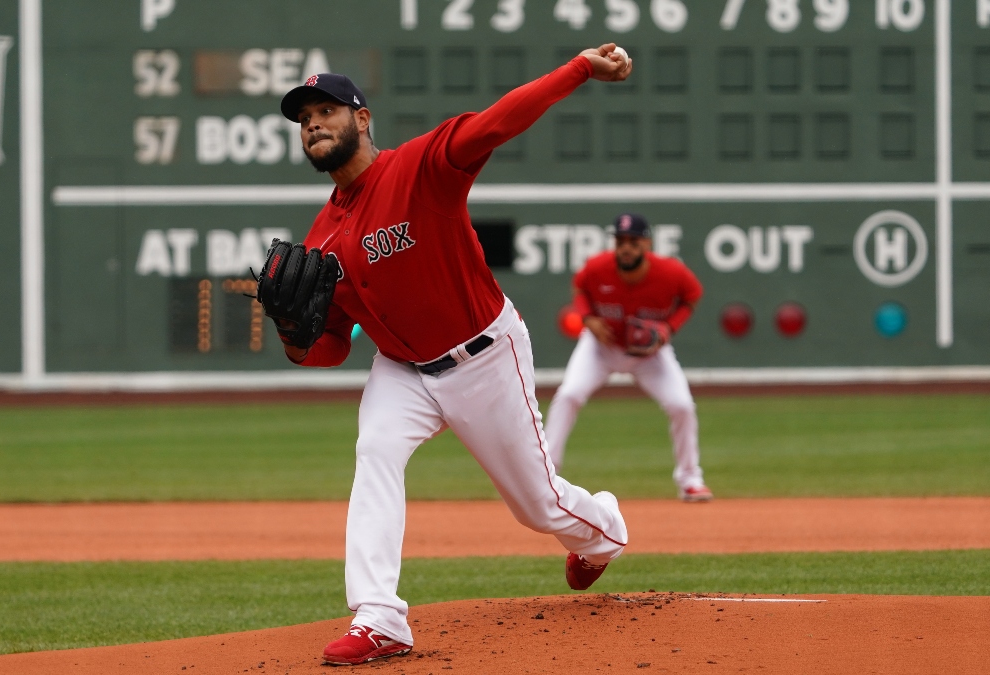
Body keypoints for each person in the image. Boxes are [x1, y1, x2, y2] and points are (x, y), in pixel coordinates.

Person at [273, 45, 634, 666]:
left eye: (326, 109)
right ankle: (378, 617)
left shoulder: (419, 168)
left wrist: (577, 68)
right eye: (303, 116)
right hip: (400, 369)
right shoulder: (321, 237)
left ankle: (605, 534)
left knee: (538, 506)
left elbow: (500, 119)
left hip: (484, 354)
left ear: (362, 119)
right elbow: (328, 349)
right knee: (375, 452)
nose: (313, 123)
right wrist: (290, 333)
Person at [545, 213, 713, 503]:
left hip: (649, 354)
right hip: (601, 348)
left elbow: (693, 295)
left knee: (682, 405)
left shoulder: (671, 273)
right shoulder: (598, 267)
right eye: (621, 241)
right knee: (570, 394)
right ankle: (544, 475)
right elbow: (580, 286)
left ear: (646, 243)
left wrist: (670, 328)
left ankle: (690, 479)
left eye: (633, 241)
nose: (626, 247)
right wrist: (588, 318)